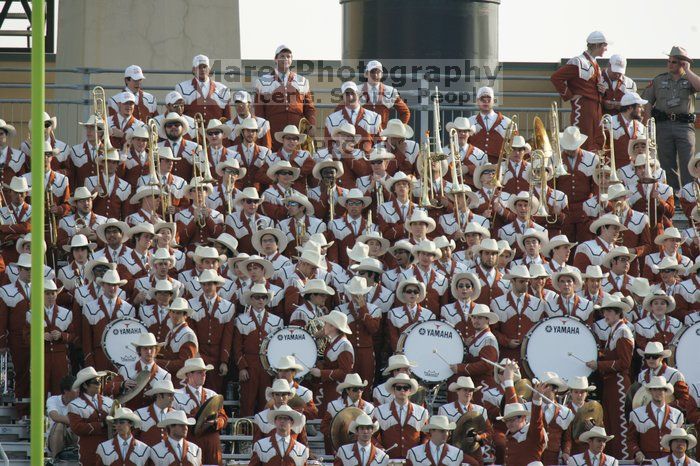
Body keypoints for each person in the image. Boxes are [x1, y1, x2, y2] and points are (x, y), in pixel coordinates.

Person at [644, 46, 700, 191]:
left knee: (687, 162)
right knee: (666, 162)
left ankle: (689, 196)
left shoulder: (689, 80)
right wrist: (649, 125)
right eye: (668, 61)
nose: (670, 64)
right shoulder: (659, 80)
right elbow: (647, 101)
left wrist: (687, 70)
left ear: (682, 63)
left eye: (674, 62)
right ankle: (672, 195)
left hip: (684, 126)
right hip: (663, 125)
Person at [585, 295, 633, 459]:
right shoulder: (615, 330)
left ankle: (623, 459)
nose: (606, 315)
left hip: (619, 384)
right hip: (612, 383)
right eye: (605, 311)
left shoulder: (623, 331)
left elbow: (624, 363)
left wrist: (600, 365)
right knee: (611, 424)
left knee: (619, 425)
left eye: (610, 312)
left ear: (619, 313)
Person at [550, 31, 608, 151]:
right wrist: (569, 95)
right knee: (582, 141)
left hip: (595, 108)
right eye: (604, 45)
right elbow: (556, 77)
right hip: (583, 108)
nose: (606, 49)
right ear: (597, 45)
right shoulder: (579, 62)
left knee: (595, 142)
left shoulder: (594, 63)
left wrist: (601, 90)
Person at [234, 283, 284, 416]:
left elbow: (279, 348)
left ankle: (264, 432)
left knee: (266, 402)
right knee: (247, 402)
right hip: (249, 366)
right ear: (250, 299)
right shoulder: (241, 320)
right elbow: (237, 347)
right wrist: (242, 367)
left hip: (268, 366)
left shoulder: (277, 321)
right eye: (257, 297)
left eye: (263, 297)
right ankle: (246, 434)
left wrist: (277, 369)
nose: (260, 300)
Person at [254, 44, 316, 151]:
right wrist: (261, 130)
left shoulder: (302, 81)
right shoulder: (262, 81)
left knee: (296, 159)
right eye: (282, 56)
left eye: (288, 56)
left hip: (296, 129)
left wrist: (312, 125)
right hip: (273, 127)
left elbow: (309, 108)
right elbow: (259, 110)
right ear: (275, 59)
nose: (285, 59)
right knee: (274, 158)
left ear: (292, 59)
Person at [173, 357, 228, 465]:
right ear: (189, 375)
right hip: (191, 440)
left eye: (205, 373)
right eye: (200, 372)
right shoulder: (177, 396)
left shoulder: (213, 394)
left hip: (212, 441)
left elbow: (224, 417)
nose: (204, 375)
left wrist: (217, 423)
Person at [187, 269, 234, 393]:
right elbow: (191, 333)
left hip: (217, 355)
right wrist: (195, 353)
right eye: (204, 284)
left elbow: (227, 336)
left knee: (214, 392)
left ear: (216, 285)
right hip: (199, 353)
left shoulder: (228, 306)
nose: (207, 287)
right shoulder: (191, 304)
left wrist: (224, 361)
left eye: (210, 284)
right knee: (196, 388)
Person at [491, 265, 544, 364]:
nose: (525, 284)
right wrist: (507, 342)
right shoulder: (497, 303)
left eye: (527, 281)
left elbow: (540, 330)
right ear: (512, 281)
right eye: (521, 281)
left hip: (530, 356)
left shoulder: (538, 303)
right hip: (506, 355)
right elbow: (493, 330)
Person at [499, 363, 548, 465]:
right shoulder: (511, 435)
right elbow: (511, 404)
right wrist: (508, 380)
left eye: (513, 419)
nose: (509, 423)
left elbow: (536, 421)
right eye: (507, 420)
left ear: (524, 418)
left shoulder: (532, 434)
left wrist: (537, 400)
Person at [308, 310, 356, 416]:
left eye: (326, 324)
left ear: (333, 327)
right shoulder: (335, 342)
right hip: (329, 387)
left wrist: (321, 373)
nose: (323, 326)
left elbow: (345, 372)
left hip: (337, 391)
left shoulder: (344, 345)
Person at [628, 376, 685, 462]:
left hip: (669, 461)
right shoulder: (636, 414)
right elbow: (631, 439)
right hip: (647, 461)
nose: (657, 392)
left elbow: (681, 440)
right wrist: (637, 452)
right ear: (650, 391)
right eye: (654, 389)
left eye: (661, 389)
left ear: (665, 391)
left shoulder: (677, 414)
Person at [373, 373, 429, 459]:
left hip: (414, 461)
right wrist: (380, 449)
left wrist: (420, 451)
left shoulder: (422, 412)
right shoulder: (379, 411)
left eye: (405, 388)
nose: (402, 390)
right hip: (389, 460)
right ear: (394, 390)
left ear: (410, 391)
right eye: (398, 388)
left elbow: (426, 436)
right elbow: (371, 435)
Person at [67, 367, 115, 465]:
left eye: (99, 381)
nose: (99, 384)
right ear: (85, 385)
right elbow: (77, 428)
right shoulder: (74, 405)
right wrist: (102, 424)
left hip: (110, 448)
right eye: (95, 382)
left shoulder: (109, 402)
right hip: (89, 449)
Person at [321, 373, 375, 453]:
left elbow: (374, 431)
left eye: (361, 388)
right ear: (347, 390)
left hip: (363, 449)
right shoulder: (334, 406)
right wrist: (336, 435)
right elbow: (324, 426)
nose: (359, 392)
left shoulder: (369, 408)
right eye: (355, 389)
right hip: (339, 448)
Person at [176, 54, 231, 122]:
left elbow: (227, 118)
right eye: (199, 67)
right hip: (191, 131)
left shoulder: (222, 89)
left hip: (215, 131)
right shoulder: (181, 87)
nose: (202, 69)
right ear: (193, 70)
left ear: (209, 69)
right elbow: (177, 114)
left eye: (205, 66)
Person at [253, 378, 308, 444]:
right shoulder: (260, 417)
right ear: (273, 396)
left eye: (284, 394)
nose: (281, 398)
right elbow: (256, 446)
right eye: (277, 394)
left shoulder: (300, 417)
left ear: (289, 396)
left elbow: (304, 445)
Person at [467, 87, 515, 163]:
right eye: (482, 99)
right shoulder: (469, 122)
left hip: (499, 166)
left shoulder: (507, 122)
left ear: (494, 101)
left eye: (489, 99)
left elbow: (515, 147)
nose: (486, 102)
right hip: (475, 166)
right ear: (477, 101)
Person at [135, 379, 176, 447]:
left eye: (173, 395)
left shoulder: (176, 415)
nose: (173, 399)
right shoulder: (140, 414)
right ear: (159, 396)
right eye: (170, 395)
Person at [46, 375, 79, 459]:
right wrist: (74, 421)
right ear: (66, 391)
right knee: (59, 425)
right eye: (75, 388)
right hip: (54, 438)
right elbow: (55, 416)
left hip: (73, 435)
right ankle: (55, 460)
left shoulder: (80, 402)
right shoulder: (53, 400)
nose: (78, 391)